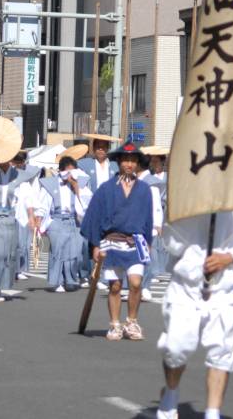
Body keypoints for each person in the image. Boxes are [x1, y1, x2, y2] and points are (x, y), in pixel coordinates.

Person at [155, 209, 233, 419]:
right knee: (176, 347)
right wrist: (175, 218)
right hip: (186, 285)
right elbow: (172, 243)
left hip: (224, 286)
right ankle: (170, 392)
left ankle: (213, 412)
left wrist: (229, 257)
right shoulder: (187, 200)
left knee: (222, 350)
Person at [80, 142, 153, 341]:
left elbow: (148, 218)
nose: (129, 164)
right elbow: (93, 216)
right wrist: (95, 245)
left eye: (133, 161)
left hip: (136, 241)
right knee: (115, 286)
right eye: (126, 160)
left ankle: (132, 321)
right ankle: (114, 324)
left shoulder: (145, 189)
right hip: (111, 241)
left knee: (136, 283)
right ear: (119, 162)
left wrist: (148, 242)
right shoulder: (105, 189)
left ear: (138, 164)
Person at [0, 163, 39, 303]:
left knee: (7, 254)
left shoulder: (19, 176)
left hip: (10, 216)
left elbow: (28, 198)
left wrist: (31, 217)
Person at [37, 156, 88, 293]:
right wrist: (38, 221)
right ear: (60, 171)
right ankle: (57, 281)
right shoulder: (51, 184)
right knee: (58, 251)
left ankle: (70, 280)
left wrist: (75, 185)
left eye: (72, 171)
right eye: (67, 171)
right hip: (56, 220)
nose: (69, 175)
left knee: (74, 251)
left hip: (73, 220)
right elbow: (43, 204)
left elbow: (86, 201)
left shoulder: (79, 183)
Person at [139, 148, 167, 302]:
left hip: (163, 210)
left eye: (158, 161)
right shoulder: (147, 179)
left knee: (159, 247)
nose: (155, 164)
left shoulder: (164, 177)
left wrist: (158, 221)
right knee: (149, 250)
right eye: (153, 161)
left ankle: (154, 274)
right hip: (148, 216)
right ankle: (148, 278)